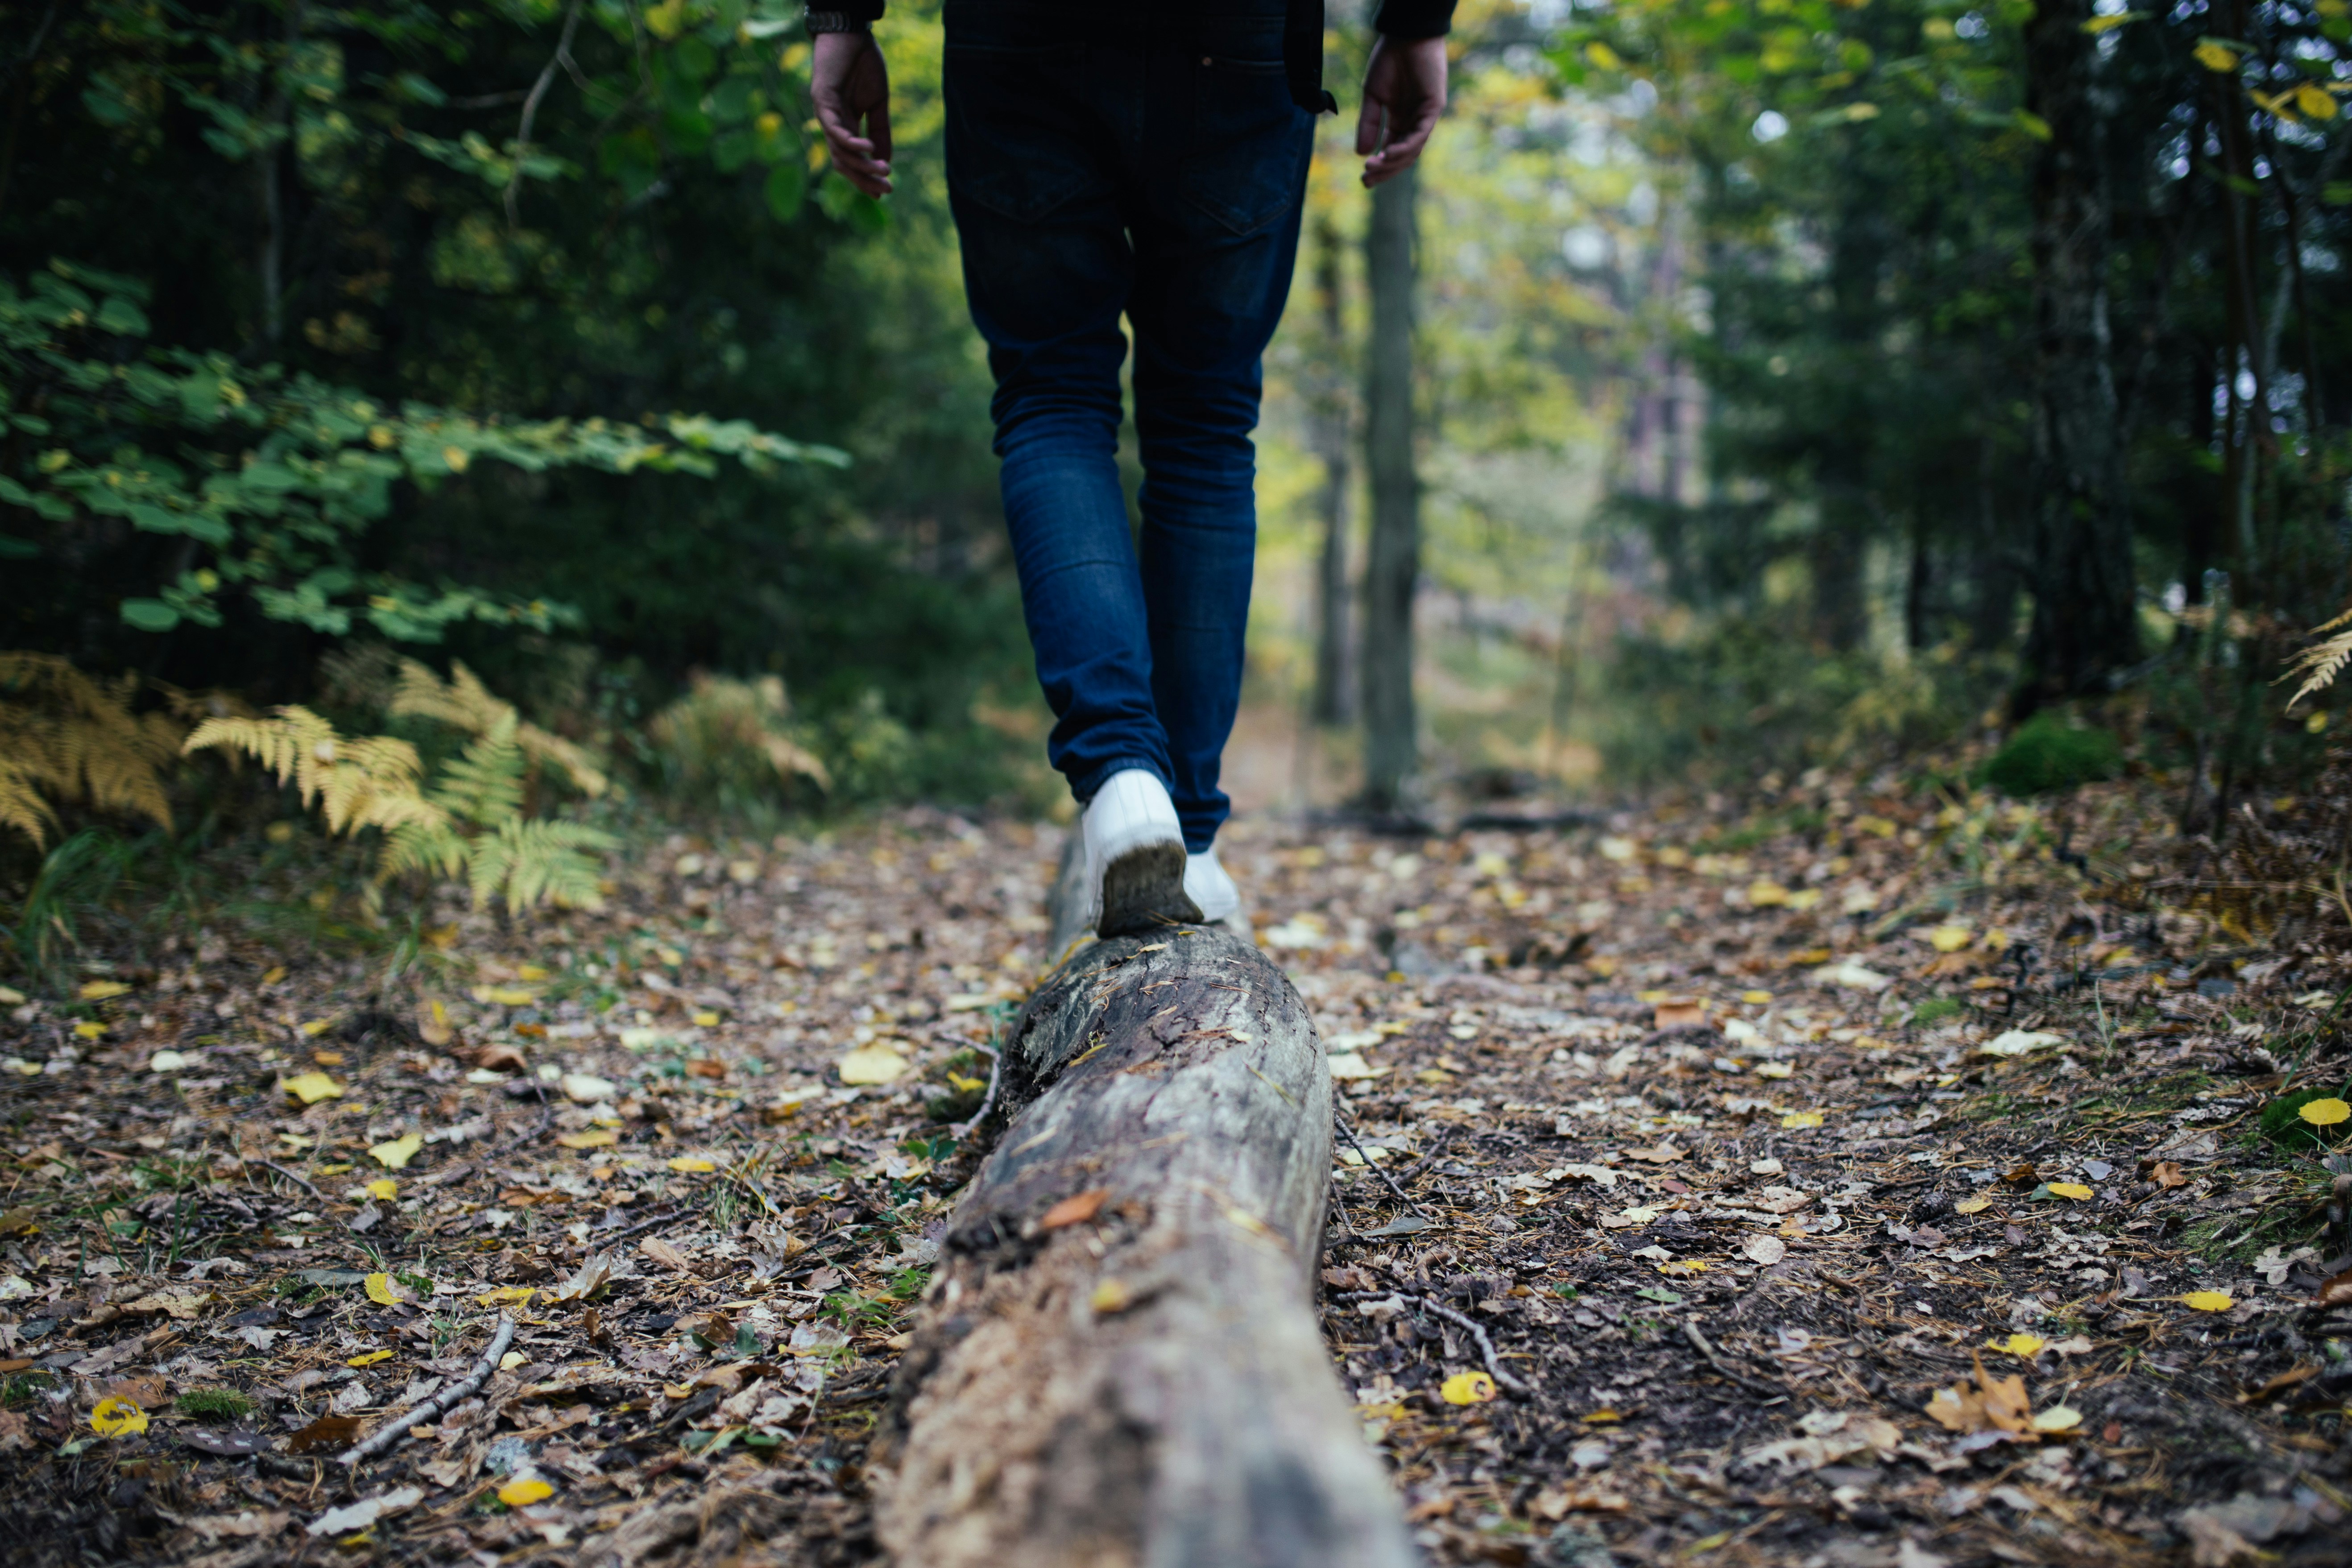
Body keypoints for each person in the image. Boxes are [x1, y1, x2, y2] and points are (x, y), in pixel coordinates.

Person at [807, 0, 1452, 935]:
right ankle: (1185, 836)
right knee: (1203, 426)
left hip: (1017, 36)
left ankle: (1121, 784)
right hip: (1237, 40)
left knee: (1052, 398)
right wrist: (1417, 22)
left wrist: (839, 17)